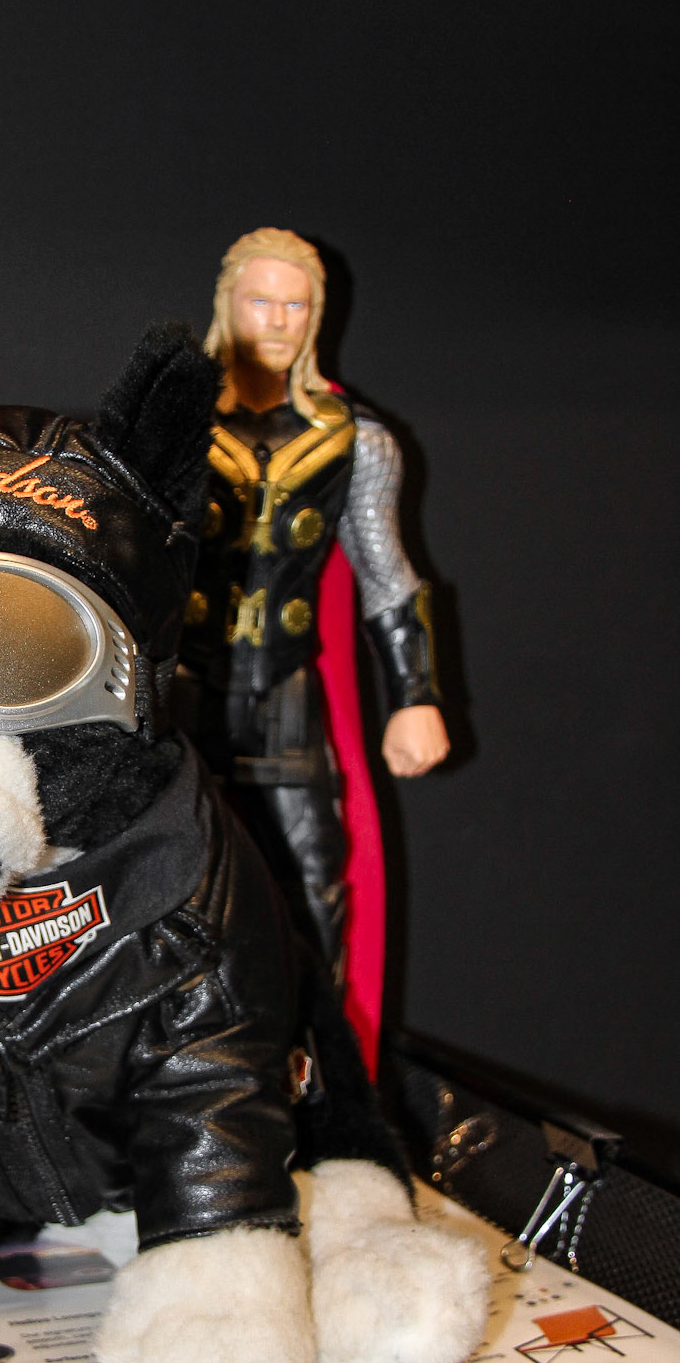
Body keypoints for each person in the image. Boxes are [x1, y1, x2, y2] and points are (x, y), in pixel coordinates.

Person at [177, 226, 449, 993]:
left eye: (294, 305)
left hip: (283, 688)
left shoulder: (355, 440)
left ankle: (313, 1049)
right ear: (227, 306)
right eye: (259, 301)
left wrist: (416, 696)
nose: (276, 320)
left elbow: (385, 573)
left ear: (315, 316)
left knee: (310, 873)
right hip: (179, 692)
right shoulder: (175, 426)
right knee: (171, 872)